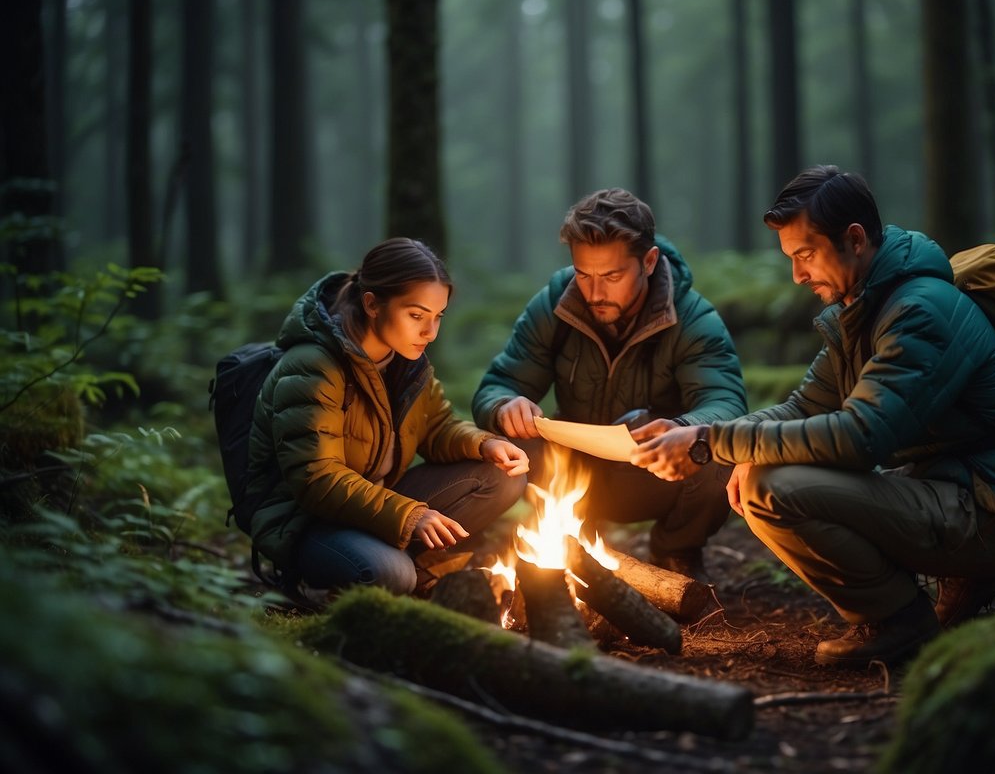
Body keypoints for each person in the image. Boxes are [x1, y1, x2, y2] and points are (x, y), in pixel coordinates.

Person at [631, 165, 995, 666]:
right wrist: (688, 430)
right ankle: (937, 588)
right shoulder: (865, 308)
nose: (798, 275)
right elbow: (800, 409)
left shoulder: (918, 311)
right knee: (760, 472)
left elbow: (859, 438)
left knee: (769, 489)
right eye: (791, 259)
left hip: (988, 511)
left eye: (804, 255)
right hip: (947, 491)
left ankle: (899, 622)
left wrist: (710, 444)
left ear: (854, 239)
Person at [471, 188, 748, 581]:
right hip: (570, 469)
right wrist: (504, 406)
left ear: (649, 262)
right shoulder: (555, 302)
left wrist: (683, 432)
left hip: (653, 471)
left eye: (612, 276)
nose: (595, 292)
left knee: (718, 451)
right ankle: (566, 545)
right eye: (584, 274)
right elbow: (497, 384)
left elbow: (727, 403)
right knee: (500, 443)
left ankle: (676, 552)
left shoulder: (693, 318)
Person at [245, 238, 530, 599]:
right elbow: (317, 480)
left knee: (501, 477)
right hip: (307, 522)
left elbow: (438, 426)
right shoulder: (314, 366)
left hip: (373, 506)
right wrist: (410, 516)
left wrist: (484, 443)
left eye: (438, 316)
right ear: (372, 304)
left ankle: (408, 564)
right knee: (389, 575)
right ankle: (326, 580)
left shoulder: (405, 361)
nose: (430, 332)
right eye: (416, 315)